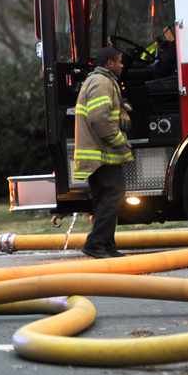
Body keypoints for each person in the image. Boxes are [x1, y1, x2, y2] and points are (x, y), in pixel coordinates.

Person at [74, 47, 133, 259]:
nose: (122, 65)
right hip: (103, 154)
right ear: (110, 63)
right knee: (115, 193)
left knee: (103, 198)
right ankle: (96, 242)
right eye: (119, 62)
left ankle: (106, 246)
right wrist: (119, 141)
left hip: (97, 154)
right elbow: (99, 118)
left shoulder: (97, 81)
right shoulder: (102, 83)